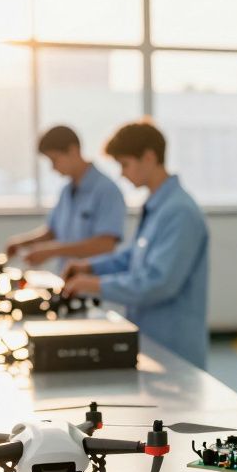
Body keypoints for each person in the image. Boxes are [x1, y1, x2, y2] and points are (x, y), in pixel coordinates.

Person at [62, 121, 210, 369]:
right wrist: (89, 268)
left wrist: (93, 285)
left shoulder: (179, 212)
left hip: (175, 348)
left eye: (125, 164)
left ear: (149, 157)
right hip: (149, 338)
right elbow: (132, 257)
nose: (121, 174)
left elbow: (158, 282)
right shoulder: (157, 205)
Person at [7, 125, 126, 272]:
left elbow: (105, 245)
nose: (53, 168)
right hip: (66, 282)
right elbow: (53, 232)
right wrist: (23, 243)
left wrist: (52, 251)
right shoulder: (66, 191)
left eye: (54, 160)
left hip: (94, 286)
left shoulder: (107, 191)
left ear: (73, 150)